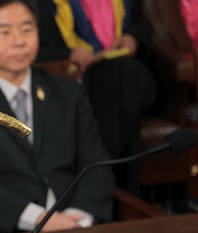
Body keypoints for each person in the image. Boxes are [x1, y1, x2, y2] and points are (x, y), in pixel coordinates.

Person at [0, 0, 115, 233]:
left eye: (27, 29)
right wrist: (38, 220)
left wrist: (81, 218)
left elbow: (96, 163)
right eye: (5, 32)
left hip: (79, 227)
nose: (19, 41)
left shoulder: (67, 92)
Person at [35, 0, 157, 195]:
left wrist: (133, 39)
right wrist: (68, 55)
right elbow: (27, 48)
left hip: (127, 75)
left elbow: (142, 25)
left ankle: (102, 190)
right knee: (120, 98)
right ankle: (124, 196)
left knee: (121, 82)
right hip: (69, 80)